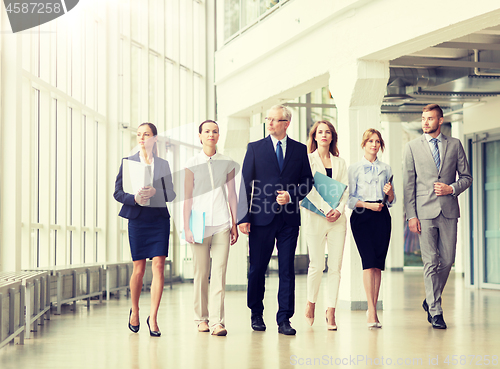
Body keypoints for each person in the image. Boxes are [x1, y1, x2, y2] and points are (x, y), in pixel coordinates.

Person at [238, 104, 313, 335]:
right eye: (268, 119)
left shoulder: (300, 151)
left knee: (287, 270)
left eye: (274, 120)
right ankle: (256, 313)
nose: (269, 123)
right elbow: (244, 184)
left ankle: (284, 319)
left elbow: (308, 182)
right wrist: (243, 217)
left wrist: (291, 195)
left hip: (289, 219)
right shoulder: (255, 148)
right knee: (257, 268)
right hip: (260, 218)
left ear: (286, 123)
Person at [403, 104, 472, 329]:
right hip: (423, 212)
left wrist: (451, 188)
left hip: (449, 210)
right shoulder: (412, 147)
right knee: (430, 261)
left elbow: (466, 177)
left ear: (440, 121)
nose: (425, 122)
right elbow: (408, 184)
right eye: (423, 118)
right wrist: (411, 215)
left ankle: (430, 298)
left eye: (430, 118)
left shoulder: (455, 144)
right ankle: (435, 310)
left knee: (448, 260)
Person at [113, 122, 176, 337]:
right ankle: (135, 310)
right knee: (138, 269)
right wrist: (135, 198)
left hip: (158, 220)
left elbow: (171, 194)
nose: (141, 138)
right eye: (139, 134)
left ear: (154, 138)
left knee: (158, 266)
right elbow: (118, 192)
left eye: (146, 134)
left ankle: (154, 317)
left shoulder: (163, 164)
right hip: (138, 220)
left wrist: (156, 191)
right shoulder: (128, 162)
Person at [183, 120, 239, 337]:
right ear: (200, 136)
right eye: (207, 131)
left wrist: (234, 222)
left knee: (219, 273)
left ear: (218, 135)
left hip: (222, 224)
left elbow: (232, 194)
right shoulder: (192, 162)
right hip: (198, 223)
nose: (211, 134)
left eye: (215, 131)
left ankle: (217, 322)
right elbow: (187, 196)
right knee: (201, 273)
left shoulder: (227, 162)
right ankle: (201, 319)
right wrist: (187, 226)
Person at [303, 120, 348, 331]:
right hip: (315, 218)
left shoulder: (340, 162)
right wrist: (325, 209)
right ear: (314, 136)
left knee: (335, 267)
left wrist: (338, 209)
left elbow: (346, 189)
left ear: (332, 137)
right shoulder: (308, 160)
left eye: (327, 132)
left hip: (337, 219)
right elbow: (307, 188)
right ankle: (311, 302)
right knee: (317, 265)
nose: (324, 135)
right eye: (320, 132)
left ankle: (331, 311)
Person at [347, 128, 395, 329]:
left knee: (377, 264)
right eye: (370, 141)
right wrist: (368, 206)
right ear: (363, 144)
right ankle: (372, 311)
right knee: (368, 262)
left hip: (382, 215)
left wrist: (390, 193)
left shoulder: (387, 168)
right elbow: (350, 200)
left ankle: (373, 308)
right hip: (362, 216)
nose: (374, 145)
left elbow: (391, 201)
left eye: (377, 141)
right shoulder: (354, 168)